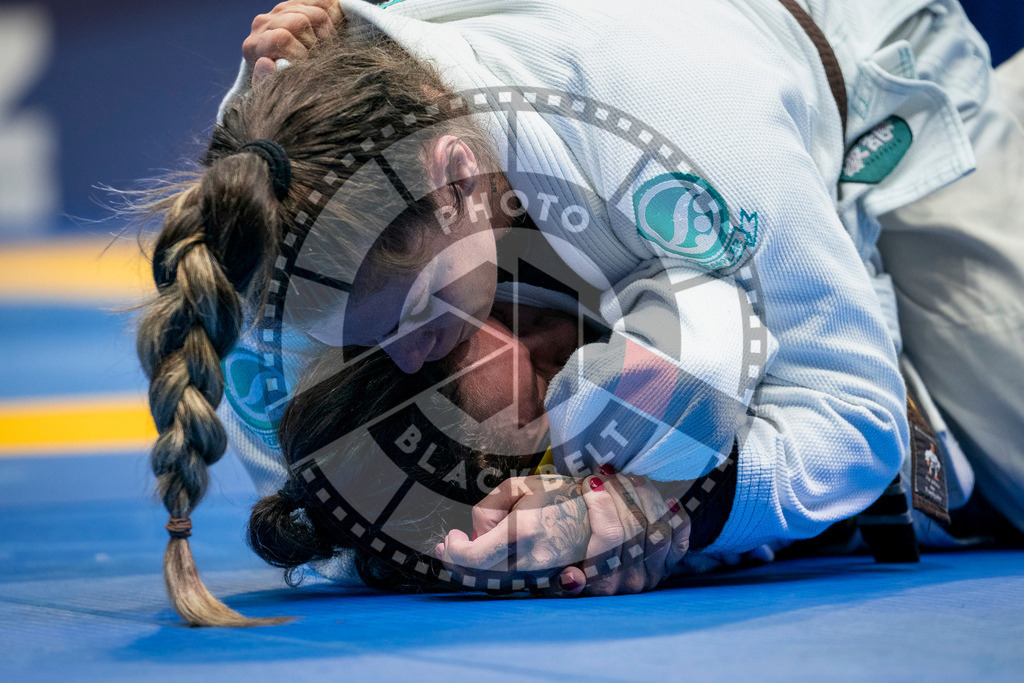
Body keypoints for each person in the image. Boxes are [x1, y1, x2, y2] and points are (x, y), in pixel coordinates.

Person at [134, 0, 1016, 626]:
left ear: (455, 182)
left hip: (845, 58)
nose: (408, 359)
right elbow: (316, 513)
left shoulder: (681, 132)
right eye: (366, 341)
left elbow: (858, 420)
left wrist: (668, 511)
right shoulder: (290, 273)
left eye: (421, 318)